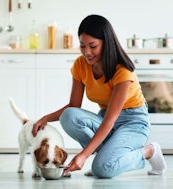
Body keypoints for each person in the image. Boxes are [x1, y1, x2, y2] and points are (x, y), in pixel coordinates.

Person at [32, 15, 167, 178]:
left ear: (106, 43)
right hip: (104, 119)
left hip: (133, 122)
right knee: (69, 116)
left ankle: (148, 151)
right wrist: (46, 118)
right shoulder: (81, 65)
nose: (87, 52)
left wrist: (83, 155)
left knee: (103, 169)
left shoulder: (122, 70)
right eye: (82, 46)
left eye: (93, 46)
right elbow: (73, 106)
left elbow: (111, 119)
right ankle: (106, 158)